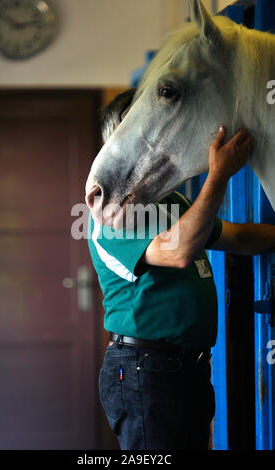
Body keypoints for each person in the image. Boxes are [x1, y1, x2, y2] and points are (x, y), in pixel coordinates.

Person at [87, 89, 275, 450]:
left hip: (185, 368)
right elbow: (178, 252)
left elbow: (237, 238)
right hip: (146, 369)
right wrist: (218, 175)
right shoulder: (109, 211)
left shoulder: (171, 200)